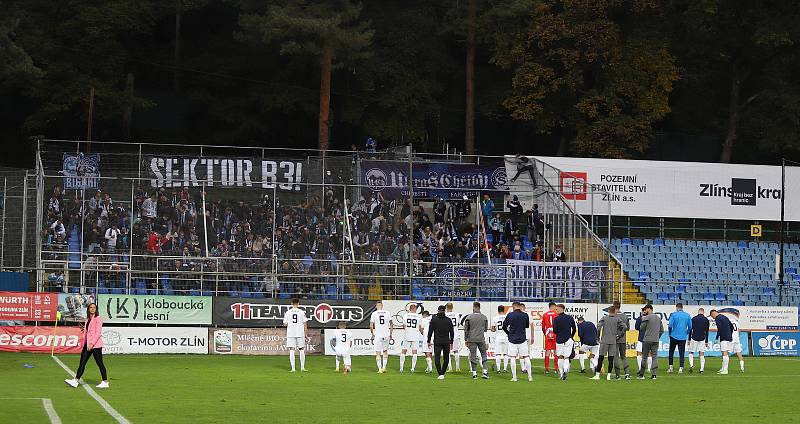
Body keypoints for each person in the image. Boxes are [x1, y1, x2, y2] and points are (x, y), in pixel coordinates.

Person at [65, 303, 109, 389]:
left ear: (96, 309)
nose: (92, 309)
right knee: (82, 362)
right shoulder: (88, 319)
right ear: (88, 309)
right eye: (91, 308)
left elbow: (98, 333)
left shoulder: (98, 319)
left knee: (100, 363)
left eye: (94, 308)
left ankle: (105, 381)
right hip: (87, 344)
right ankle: (76, 380)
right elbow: (89, 332)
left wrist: (92, 344)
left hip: (95, 345)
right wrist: (85, 330)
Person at [502, 302, 533, 382]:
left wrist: (509, 333)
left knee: (513, 358)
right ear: (519, 306)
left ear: (513, 307)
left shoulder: (510, 315)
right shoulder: (525, 315)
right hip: (522, 339)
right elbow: (526, 326)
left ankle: (514, 377)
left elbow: (504, 326)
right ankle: (530, 377)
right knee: (526, 357)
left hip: (512, 339)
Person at [592, 306, 624, 380]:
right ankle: (608, 376)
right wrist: (619, 335)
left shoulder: (604, 318)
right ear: (614, 311)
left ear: (609, 311)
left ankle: (597, 375)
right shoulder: (617, 319)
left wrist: (598, 337)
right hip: (613, 341)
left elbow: (598, 327)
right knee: (611, 359)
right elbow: (624, 326)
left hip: (604, 340)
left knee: (601, 358)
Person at [710, 310, 744, 374]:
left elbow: (719, 328)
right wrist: (729, 334)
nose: (713, 318)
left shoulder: (717, 318)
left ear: (713, 314)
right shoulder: (725, 317)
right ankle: (723, 368)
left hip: (724, 337)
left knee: (724, 352)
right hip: (729, 337)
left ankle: (725, 370)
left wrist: (717, 338)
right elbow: (731, 326)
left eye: (712, 317)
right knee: (725, 353)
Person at [463, 302, 490, 379]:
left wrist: (466, 339)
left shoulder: (469, 317)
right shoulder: (484, 317)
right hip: (481, 339)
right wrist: (487, 342)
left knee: (473, 355)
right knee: (484, 355)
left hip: (471, 339)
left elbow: (466, 330)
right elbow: (485, 330)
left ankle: (474, 373)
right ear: (479, 307)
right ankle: (485, 372)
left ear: (473, 307)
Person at [427, 305, 454, 380]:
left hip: (437, 341)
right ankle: (443, 373)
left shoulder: (434, 319)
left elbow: (430, 331)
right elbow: (452, 332)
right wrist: (451, 342)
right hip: (446, 341)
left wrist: (428, 340)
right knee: (446, 358)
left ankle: (440, 373)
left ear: (438, 311)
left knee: (437, 357)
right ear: (444, 311)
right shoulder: (448, 320)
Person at [637, 304, 663, 380]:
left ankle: (641, 375)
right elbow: (662, 330)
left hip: (647, 340)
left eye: (646, 309)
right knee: (654, 357)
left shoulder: (647, 317)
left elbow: (642, 328)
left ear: (649, 309)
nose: (645, 311)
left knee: (644, 357)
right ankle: (654, 375)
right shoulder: (658, 318)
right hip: (655, 340)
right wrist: (657, 337)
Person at [283, 298, 309, 372]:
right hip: (300, 333)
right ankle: (302, 368)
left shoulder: (288, 312)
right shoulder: (301, 312)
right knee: (301, 350)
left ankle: (293, 368)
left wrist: (288, 323)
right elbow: (305, 324)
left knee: (292, 350)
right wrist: (306, 333)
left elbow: (285, 323)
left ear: (291, 303)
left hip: (291, 333)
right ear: (298, 304)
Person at [552, 304, 577, 380]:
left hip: (559, 340)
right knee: (566, 357)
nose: (555, 310)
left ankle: (561, 373)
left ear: (561, 309)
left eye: (556, 309)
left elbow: (555, 331)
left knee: (560, 357)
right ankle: (566, 370)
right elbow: (574, 328)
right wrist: (571, 336)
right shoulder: (570, 318)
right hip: (568, 339)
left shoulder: (556, 319)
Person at [667, 303, 692, 374]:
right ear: (682, 307)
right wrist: (686, 332)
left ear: (677, 308)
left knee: (671, 352)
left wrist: (669, 334)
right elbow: (690, 327)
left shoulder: (673, 315)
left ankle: (671, 367)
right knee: (681, 353)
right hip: (682, 337)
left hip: (674, 336)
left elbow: (670, 326)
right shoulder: (687, 315)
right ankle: (681, 368)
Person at [370, 300, 392, 373]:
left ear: (376, 306)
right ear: (382, 306)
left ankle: (379, 369)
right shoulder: (387, 312)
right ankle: (384, 368)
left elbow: (371, 325)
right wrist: (391, 333)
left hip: (378, 335)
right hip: (386, 335)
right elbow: (391, 324)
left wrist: (372, 333)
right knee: (385, 351)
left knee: (378, 352)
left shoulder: (374, 313)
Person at [400, 304, 422, 373]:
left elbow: (404, 326)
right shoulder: (418, 316)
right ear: (415, 309)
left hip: (407, 334)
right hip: (415, 335)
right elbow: (419, 327)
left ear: (410, 309)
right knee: (414, 352)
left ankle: (401, 368)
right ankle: (412, 368)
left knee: (404, 351)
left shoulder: (405, 316)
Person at [688, 308, 710, 374]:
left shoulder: (693, 318)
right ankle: (702, 369)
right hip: (702, 338)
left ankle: (691, 365)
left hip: (694, 337)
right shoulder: (706, 319)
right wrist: (706, 341)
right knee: (701, 353)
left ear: (698, 312)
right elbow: (707, 331)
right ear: (703, 312)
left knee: (691, 352)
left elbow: (690, 329)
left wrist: (689, 338)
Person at [541, 302, 559, 374]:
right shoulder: (557, 314)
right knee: (555, 351)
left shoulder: (545, 314)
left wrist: (545, 333)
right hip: (555, 333)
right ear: (554, 306)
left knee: (547, 351)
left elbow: (543, 326)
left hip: (548, 333)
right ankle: (556, 368)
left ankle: (546, 368)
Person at [444, 303, 463, 372]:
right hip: (455, 334)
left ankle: (450, 368)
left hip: (447, 335)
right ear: (452, 307)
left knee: (447, 352)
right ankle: (457, 367)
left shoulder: (445, 315)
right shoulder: (457, 314)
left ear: (446, 307)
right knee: (456, 351)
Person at [491, 305, 509, 373]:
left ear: (498, 310)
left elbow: (493, 329)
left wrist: (494, 329)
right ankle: (505, 369)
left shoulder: (495, 318)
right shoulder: (507, 317)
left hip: (498, 337)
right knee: (506, 354)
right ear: (504, 310)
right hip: (506, 337)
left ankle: (498, 369)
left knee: (498, 354)